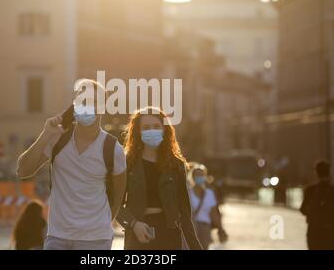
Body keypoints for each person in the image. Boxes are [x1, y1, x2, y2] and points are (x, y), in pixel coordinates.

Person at [17, 79, 127, 250]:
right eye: (82, 101)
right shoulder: (58, 138)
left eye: (93, 101)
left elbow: (119, 193)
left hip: (96, 240)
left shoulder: (113, 149)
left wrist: (103, 222)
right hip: (57, 237)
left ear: (102, 108)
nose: (86, 105)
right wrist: (46, 134)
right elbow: (23, 170)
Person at [117, 107, 202, 250]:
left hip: (169, 236)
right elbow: (115, 205)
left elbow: (185, 213)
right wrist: (133, 224)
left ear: (165, 129)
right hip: (138, 235)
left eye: (156, 126)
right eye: (146, 127)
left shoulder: (176, 165)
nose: (152, 131)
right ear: (138, 131)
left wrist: (196, 247)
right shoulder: (127, 163)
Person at [300, 160, 334, 250]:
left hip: (313, 233)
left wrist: (312, 213)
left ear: (316, 173)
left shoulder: (310, 190)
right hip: (330, 234)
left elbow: (302, 209)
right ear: (329, 173)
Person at [189, 163, 228, 250]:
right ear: (192, 177)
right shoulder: (188, 193)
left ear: (205, 176)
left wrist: (220, 228)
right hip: (190, 228)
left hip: (204, 228)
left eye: (201, 175)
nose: (199, 177)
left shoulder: (209, 194)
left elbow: (213, 213)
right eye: (197, 175)